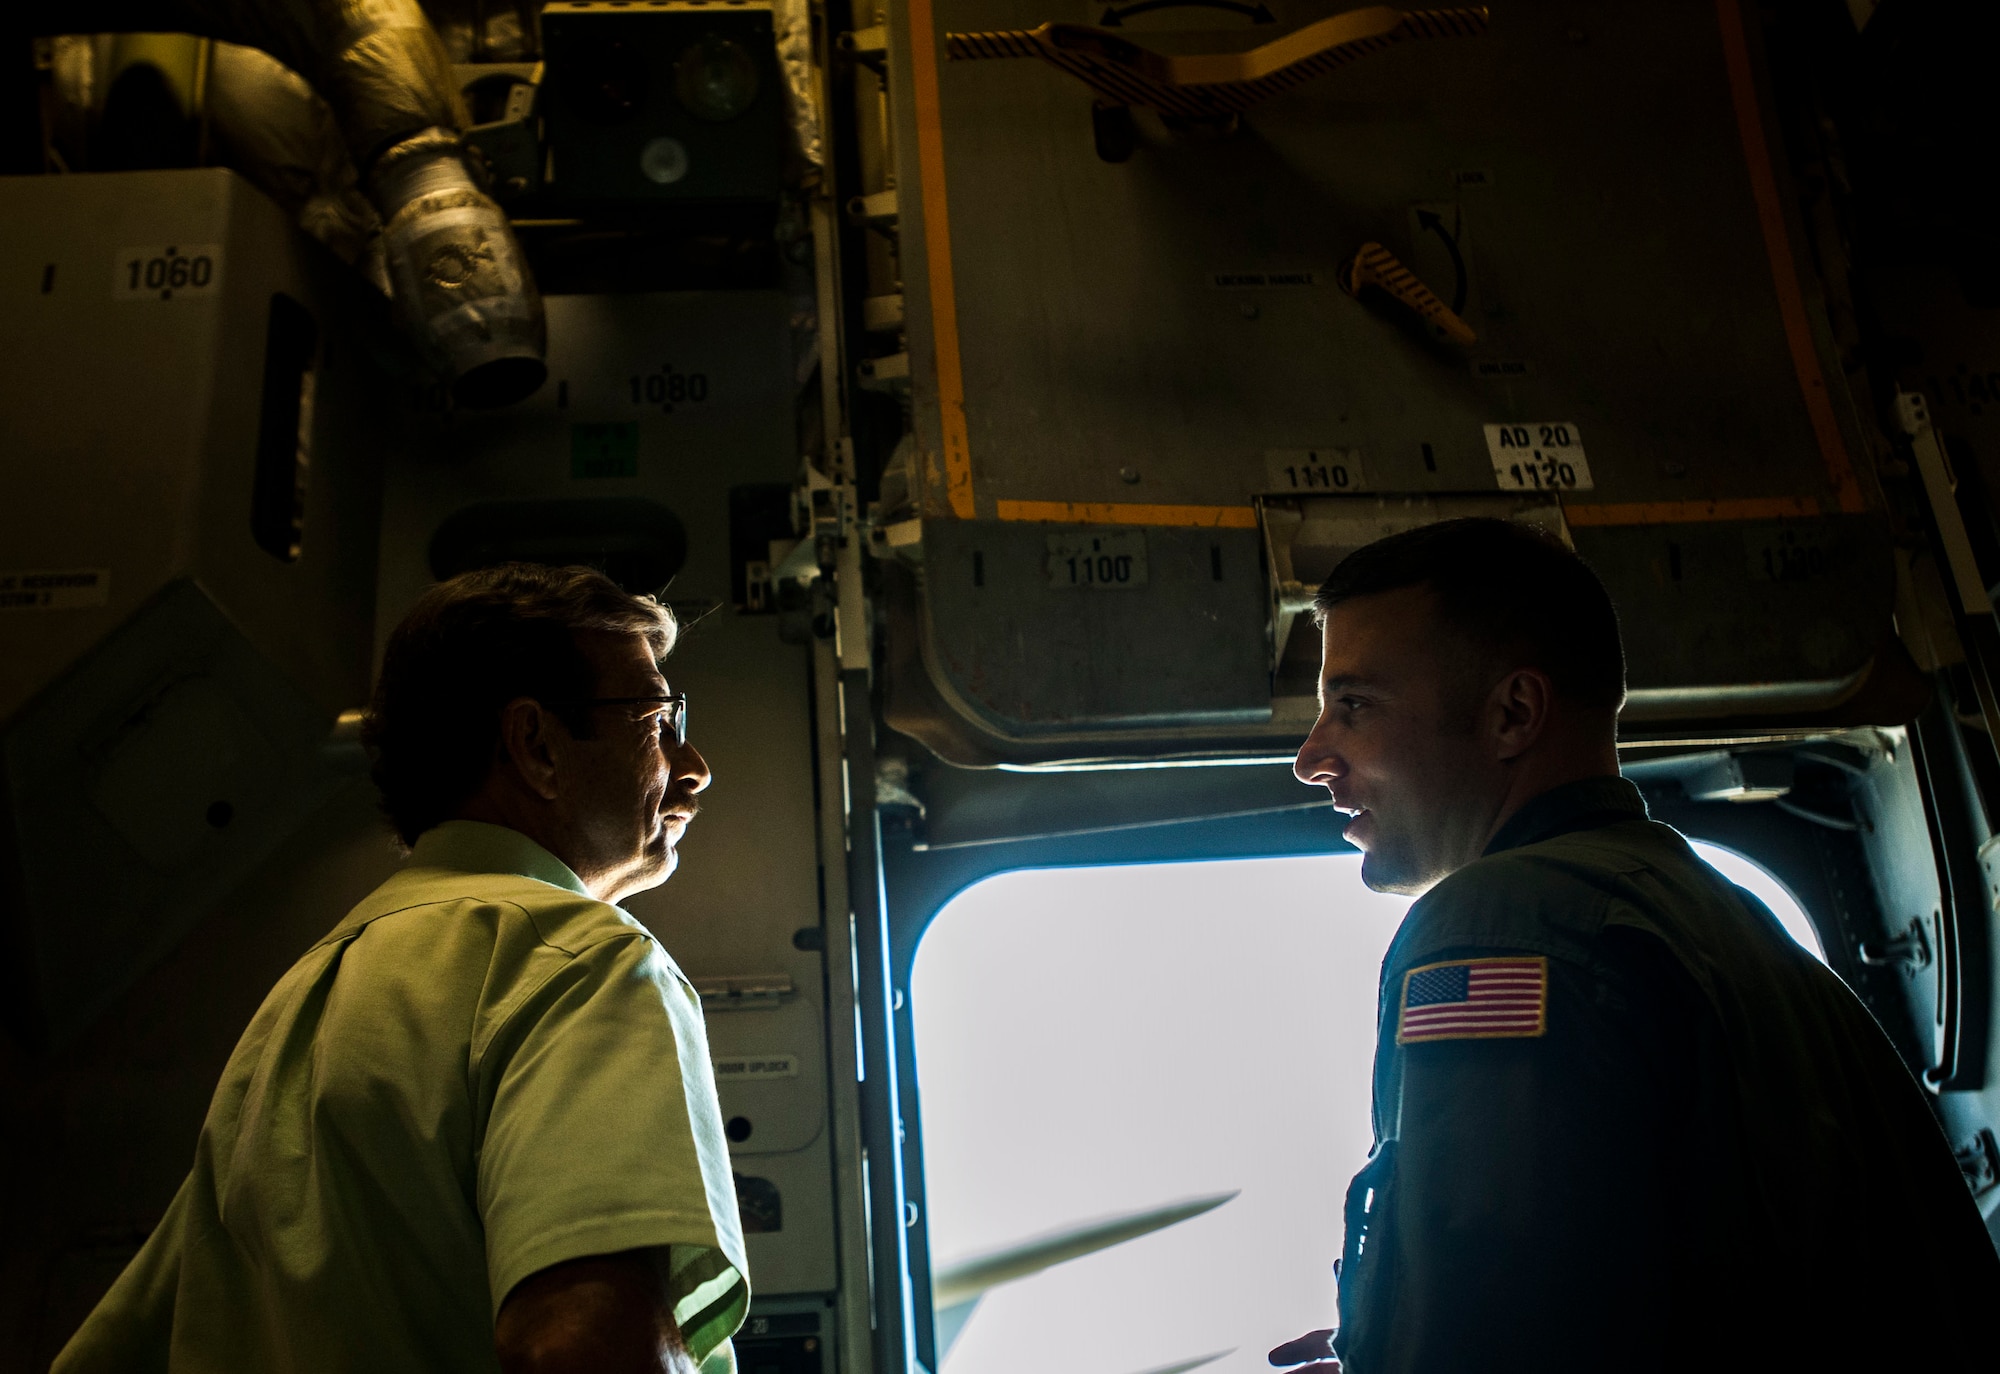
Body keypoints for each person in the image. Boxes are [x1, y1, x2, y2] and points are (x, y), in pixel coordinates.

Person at [1271, 518, 1999, 1373]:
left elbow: (1497, 1329)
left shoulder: (1502, 925)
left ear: (1513, 714)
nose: (1312, 756)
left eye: (1353, 705)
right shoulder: (1743, 942)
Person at [55, 564, 749, 1374]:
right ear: (536, 746)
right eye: (657, 720)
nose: (693, 764)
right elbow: (584, 1344)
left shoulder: (300, 1003)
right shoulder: (580, 961)